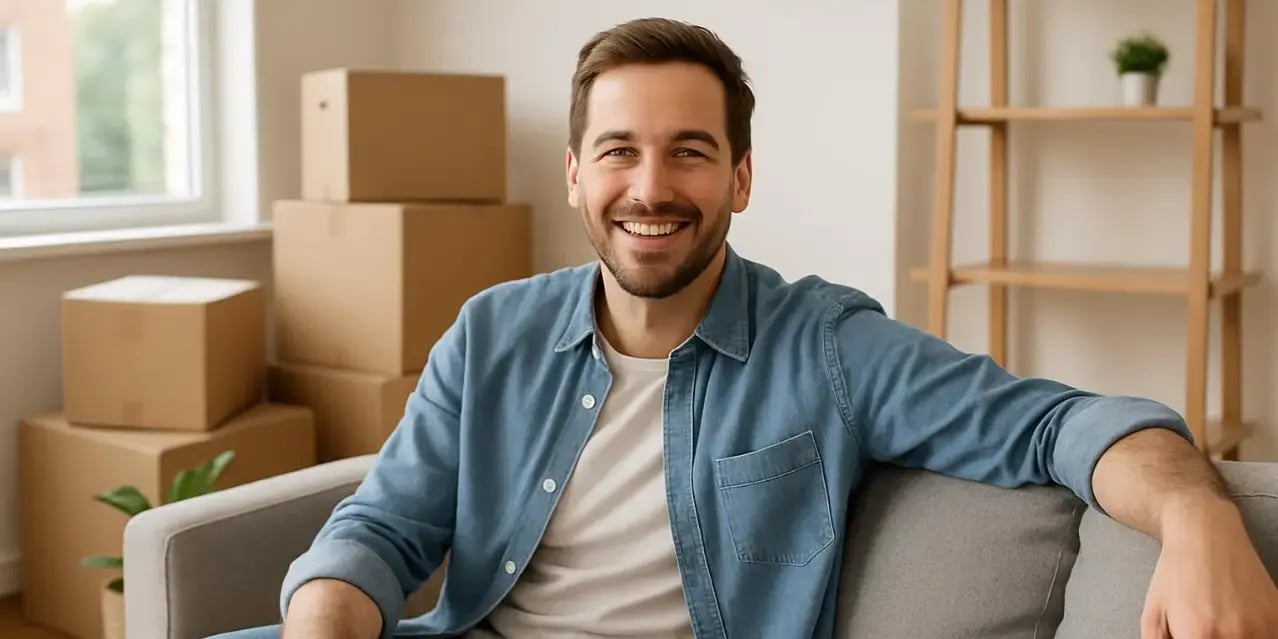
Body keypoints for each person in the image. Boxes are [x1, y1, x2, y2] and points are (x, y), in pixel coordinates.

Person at [215, 17, 1278, 639]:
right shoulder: (492, 333)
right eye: (620, 150)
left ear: (739, 177)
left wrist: (1200, 520)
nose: (651, 185)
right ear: (577, 174)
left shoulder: (828, 346)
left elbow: (1060, 426)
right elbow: (386, 525)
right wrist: (325, 615)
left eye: (688, 151)